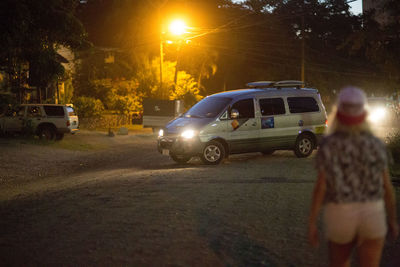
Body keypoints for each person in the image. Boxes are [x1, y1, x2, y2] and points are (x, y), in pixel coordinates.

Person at [308, 87, 399, 267]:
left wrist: (312, 222)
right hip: (372, 214)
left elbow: (321, 186)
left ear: (339, 113)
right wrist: (392, 220)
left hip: (340, 214)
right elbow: (387, 187)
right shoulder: (376, 144)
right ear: (363, 114)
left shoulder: (329, 144)